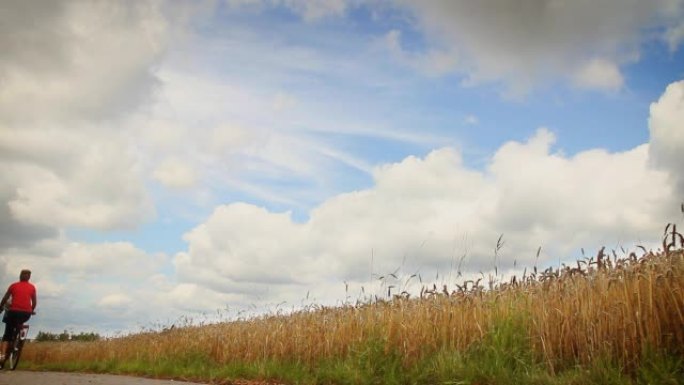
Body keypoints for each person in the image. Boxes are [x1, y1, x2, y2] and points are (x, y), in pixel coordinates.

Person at [0, 269, 37, 362]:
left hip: (13, 313)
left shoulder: (13, 286)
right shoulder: (32, 287)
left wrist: (0, 307)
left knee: (7, 335)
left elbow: (5, 298)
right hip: (26, 314)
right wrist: (31, 310)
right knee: (19, 323)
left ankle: (2, 356)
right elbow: (34, 302)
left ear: (20, 276)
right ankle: (19, 339)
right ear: (29, 278)